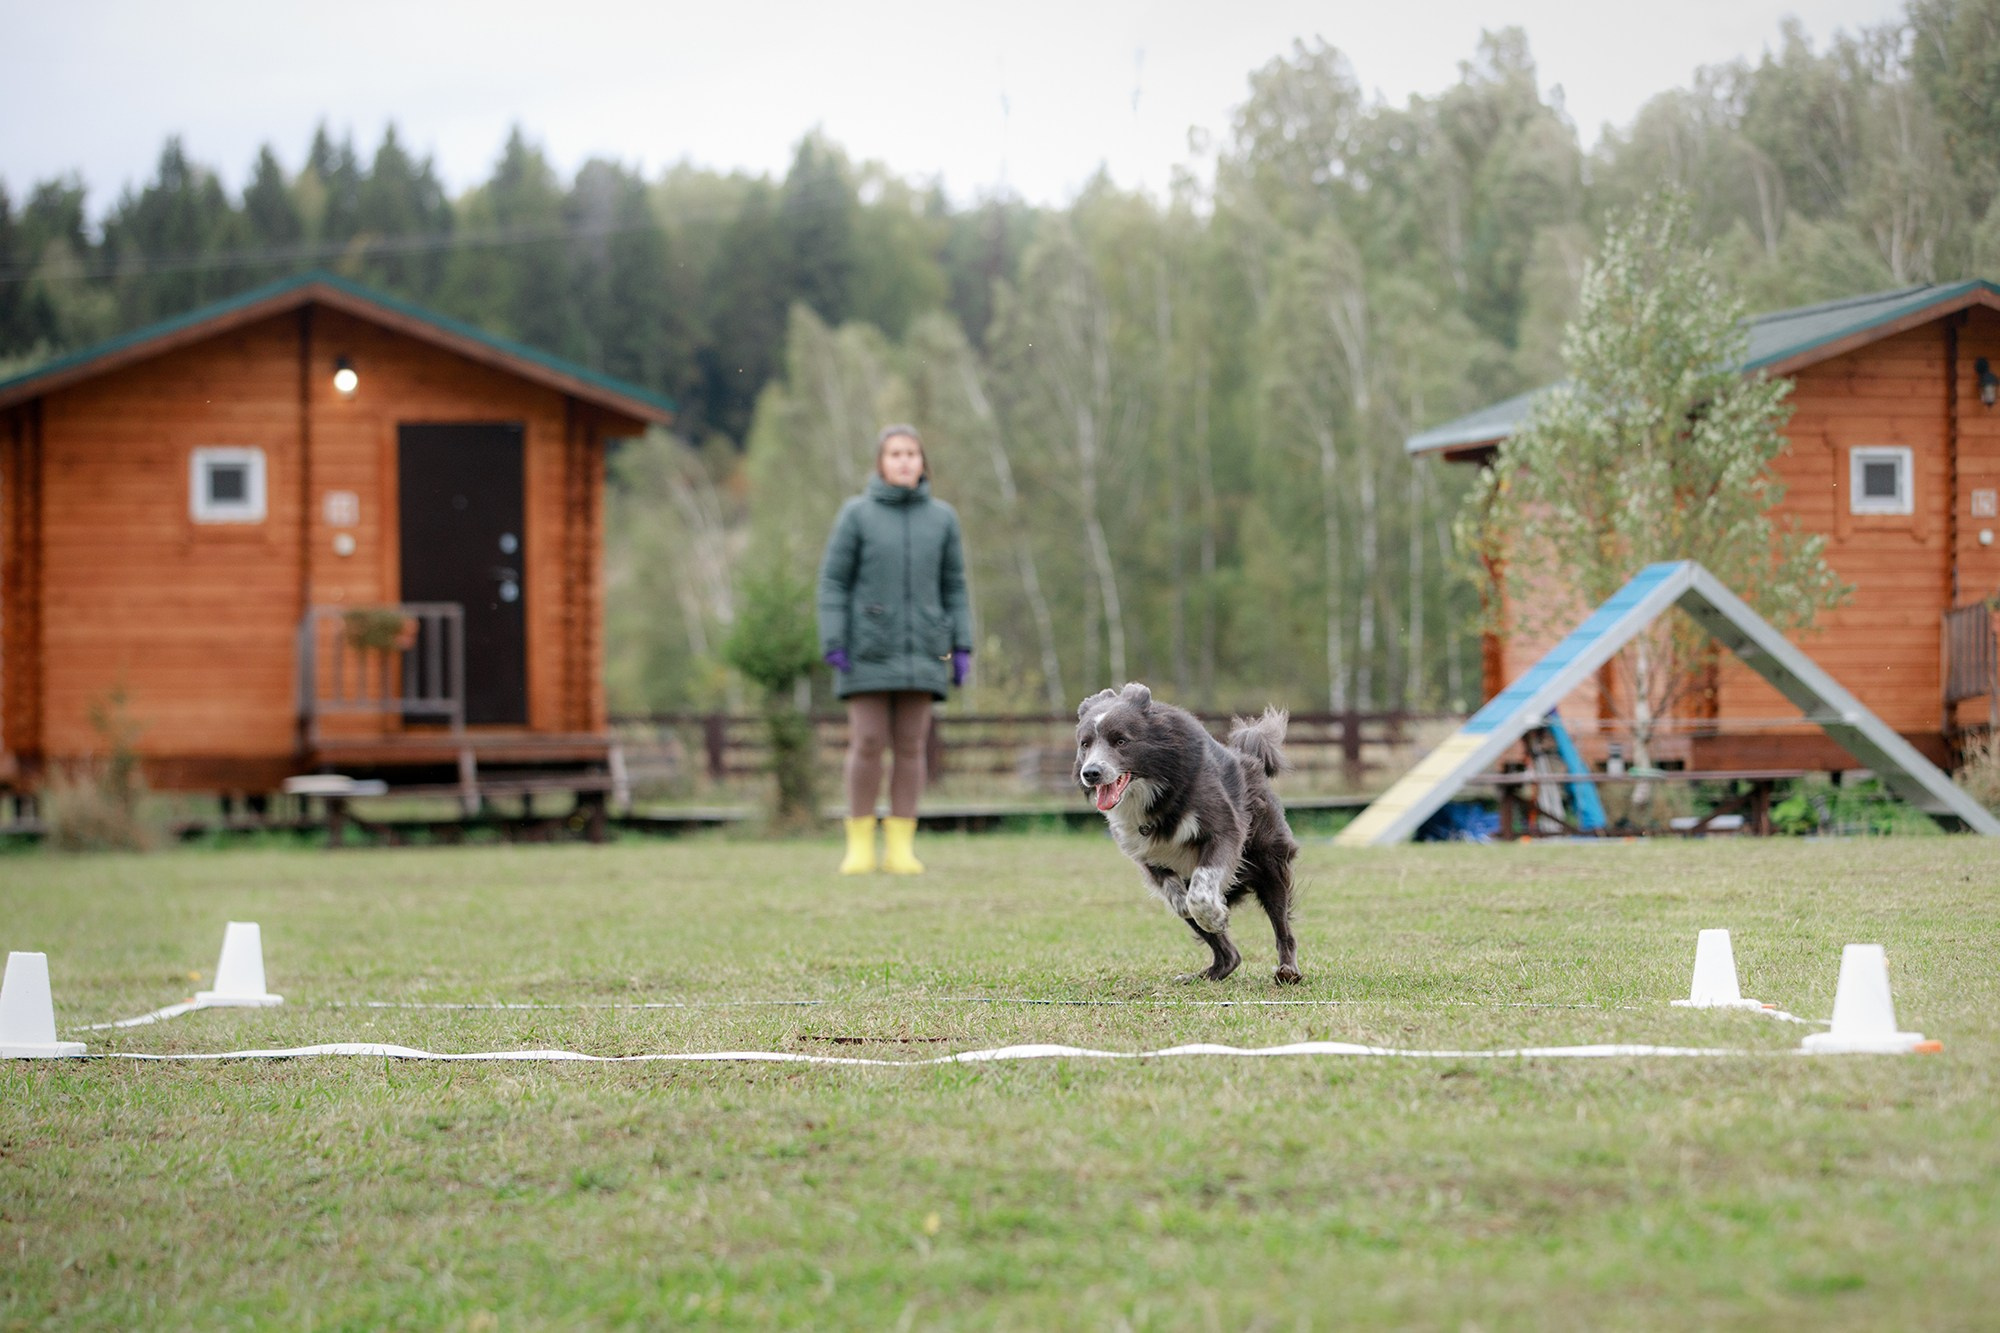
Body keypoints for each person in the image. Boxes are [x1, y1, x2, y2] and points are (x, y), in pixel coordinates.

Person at [816, 425, 972, 874]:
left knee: (911, 745)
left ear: (923, 462)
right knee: (867, 741)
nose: (904, 461)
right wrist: (833, 639)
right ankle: (860, 845)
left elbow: (955, 586)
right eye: (895, 454)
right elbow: (833, 581)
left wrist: (962, 644)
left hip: (924, 649)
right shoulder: (856, 515)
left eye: (911, 453)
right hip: (866, 649)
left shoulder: (942, 519)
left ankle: (900, 847)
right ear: (880, 463)